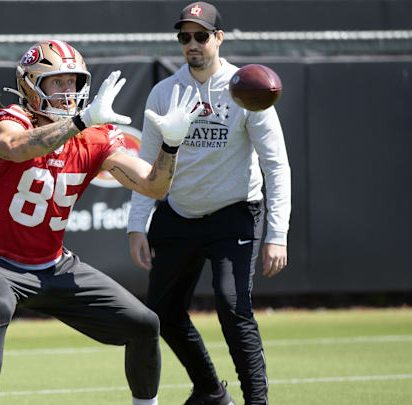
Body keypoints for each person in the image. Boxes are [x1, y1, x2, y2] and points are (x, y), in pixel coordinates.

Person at [0, 39, 204, 405]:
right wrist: (79, 122)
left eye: (73, 82)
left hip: (53, 266)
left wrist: (171, 145)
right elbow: (14, 147)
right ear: (30, 85)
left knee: (144, 324)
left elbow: (154, 186)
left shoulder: (93, 135)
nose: (68, 91)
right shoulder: (13, 118)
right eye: (57, 82)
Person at [127, 2, 291, 405]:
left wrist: (278, 234)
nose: (192, 44)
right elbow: (146, 165)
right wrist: (136, 225)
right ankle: (210, 392)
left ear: (219, 37)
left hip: (232, 212)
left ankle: (257, 402)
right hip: (178, 212)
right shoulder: (164, 92)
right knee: (161, 313)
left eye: (201, 35)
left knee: (233, 307)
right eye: (185, 37)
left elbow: (276, 165)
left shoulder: (247, 86)